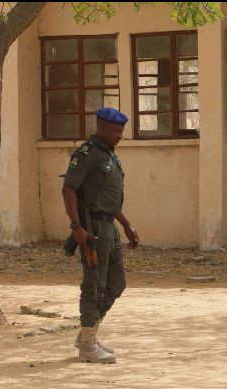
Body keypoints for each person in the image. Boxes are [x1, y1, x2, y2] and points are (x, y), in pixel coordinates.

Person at [61, 107, 140, 364]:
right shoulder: (87, 154)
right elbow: (69, 188)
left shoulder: (109, 155)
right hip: (92, 228)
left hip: (110, 228)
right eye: (116, 131)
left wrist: (126, 225)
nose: (120, 136)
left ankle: (88, 332)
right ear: (102, 128)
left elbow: (108, 197)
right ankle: (87, 345)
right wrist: (76, 227)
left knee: (117, 283)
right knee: (95, 285)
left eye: (121, 131)